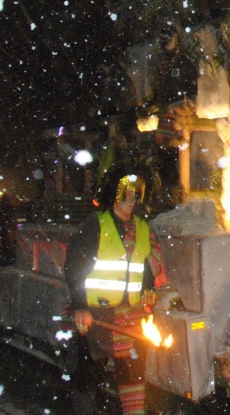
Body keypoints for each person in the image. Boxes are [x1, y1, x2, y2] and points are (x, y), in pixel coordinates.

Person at [64, 166, 165, 415]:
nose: (132, 200)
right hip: (96, 316)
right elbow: (75, 266)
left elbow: (150, 262)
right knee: (87, 377)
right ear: (115, 195)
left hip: (130, 316)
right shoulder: (96, 226)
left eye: (137, 194)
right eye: (127, 193)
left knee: (132, 377)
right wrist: (80, 307)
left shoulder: (144, 228)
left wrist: (148, 287)